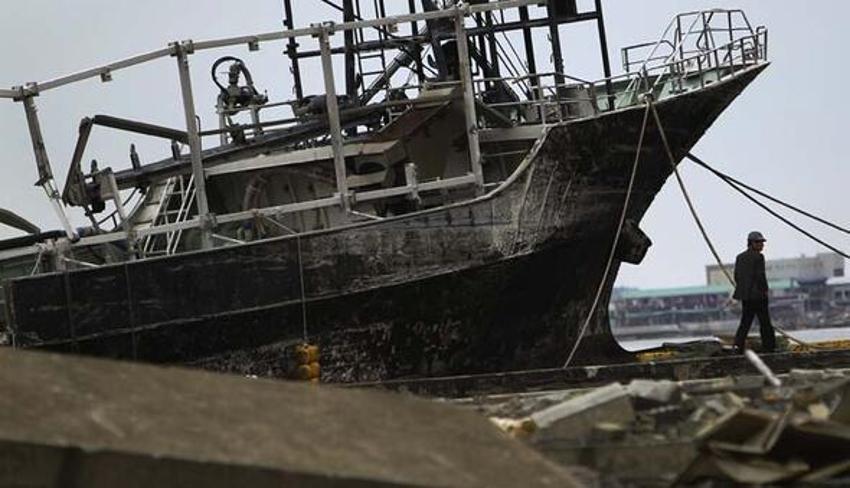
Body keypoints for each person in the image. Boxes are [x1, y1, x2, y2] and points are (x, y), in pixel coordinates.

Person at [732, 231, 776, 353]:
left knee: (745, 323)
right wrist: (765, 290)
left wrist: (744, 290)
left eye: (762, 242)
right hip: (758, 296)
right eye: (758, 242)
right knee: (765, 322)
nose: (761, 245)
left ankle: (738, 346)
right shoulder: (759, 257)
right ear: (751, 243)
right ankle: (769, 347)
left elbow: (737, 276)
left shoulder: (740, 257)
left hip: (746, 296)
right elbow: (760, 276)